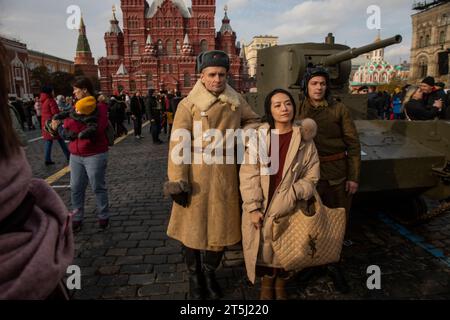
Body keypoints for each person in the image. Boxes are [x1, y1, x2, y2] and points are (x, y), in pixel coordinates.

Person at [164, 50, 260, 300]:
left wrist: (242, 136)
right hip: (195, 177)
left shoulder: (236, 99)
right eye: (212, 74)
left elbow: (252, 120)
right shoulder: (189, 104)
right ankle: (195, 278)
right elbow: (177, 144)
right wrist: (177, 182)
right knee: (191, 231)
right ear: (202, 76)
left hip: (225, 175)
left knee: (220, 231)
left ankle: (209, 273)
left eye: (222, 74)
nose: (217, 79)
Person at [0, 42, 74, 300]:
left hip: (44, 129)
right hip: (52, 127)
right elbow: (20, 135)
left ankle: (56, 157)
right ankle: (66, 159)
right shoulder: (49, 102)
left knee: (50, 145)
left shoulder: (39, 102)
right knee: (62, 145)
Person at [240, 89, 320, 300]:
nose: (284, 109)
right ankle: (267, 285)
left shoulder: (305, 140)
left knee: (287, 247)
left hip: (292, 205)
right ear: (270, 110)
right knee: (264, 249)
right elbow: (249, 174)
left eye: (288, 104)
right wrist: (253, 207)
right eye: (277, 105)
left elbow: (312, 176)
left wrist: (294, 193)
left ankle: (281, 285)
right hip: (263, 204)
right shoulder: (260, 138)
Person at [297, 66, 361, 294]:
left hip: (336, 173)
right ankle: (313, 262)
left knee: (336, 222)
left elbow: (353, 144)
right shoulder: (298, 108)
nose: (319, 87)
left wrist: (353, 177)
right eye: (314, 83)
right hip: (308, 176)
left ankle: (334, 266)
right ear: (307, 86)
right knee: (310, 220)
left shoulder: (338, 109)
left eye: (322, 83)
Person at [51, 77, 110, 231]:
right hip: (75, 155)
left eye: (76, 89)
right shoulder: (74, 106)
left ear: (85, 90)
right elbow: (69, 123)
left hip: (94, 153)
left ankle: (103, 215)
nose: (73, 92)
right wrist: (60, 125)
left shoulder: (100, 107)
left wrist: (67, 130)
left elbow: (97, 129)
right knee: (76, 187)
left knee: (98, 186)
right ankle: (77, 217)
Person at [40, 85, 70, 165]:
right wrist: (60, 112)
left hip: (46, 123)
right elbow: (55, 113)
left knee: (48, 141)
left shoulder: (43, 100)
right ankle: (68, 155)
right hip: (53, 123)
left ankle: (47, 159)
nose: (53, 92)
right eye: (52, 91)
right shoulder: (50, 100)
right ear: (49, 92)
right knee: (61, 139)